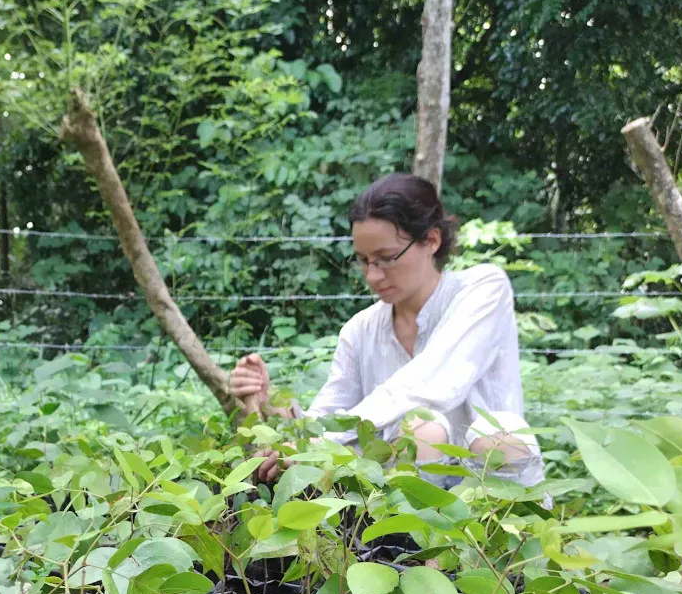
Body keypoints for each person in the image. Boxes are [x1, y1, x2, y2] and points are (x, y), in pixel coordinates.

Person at [229, 173, 542, 486]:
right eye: (363, 260)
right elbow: (329, 419)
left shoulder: (483, 289)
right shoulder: (361, 330)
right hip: (406, 495)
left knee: (473, 432)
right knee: (418, 432)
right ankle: (415, 520)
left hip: (492, 488)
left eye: (386, 258)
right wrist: (272, 403)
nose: (373, 276)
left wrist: (322, 444)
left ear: (432, 240)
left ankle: (511, 517)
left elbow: (432, 383)